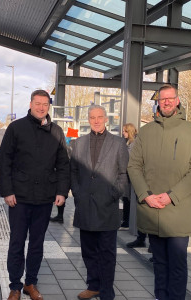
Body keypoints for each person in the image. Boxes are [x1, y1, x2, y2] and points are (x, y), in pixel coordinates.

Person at [127, 84, 191, 300]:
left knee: (177, 264)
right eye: (162, 99)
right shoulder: (147, 131)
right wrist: (145, 195)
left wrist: (171, 196)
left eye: (170, 98)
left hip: (178, 211)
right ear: (158, 102)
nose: (166, 102)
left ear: (177, 100)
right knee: (159, 263)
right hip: (152, 210)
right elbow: (134, 166)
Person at [0, 89, 70, 300]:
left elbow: (63, 164)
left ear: (49, 107)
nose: (41, 107)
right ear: (30, 104)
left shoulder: (56, 131)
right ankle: (15, 286)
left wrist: (62, 191)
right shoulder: (16, 128)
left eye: (45, 104)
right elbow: (4, 161)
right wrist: (7, 191)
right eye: (37, 103)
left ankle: (31, 283)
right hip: (18, 198)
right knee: (17, 242)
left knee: (37, 243)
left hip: (44, 198)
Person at [70, 105, 129, 300]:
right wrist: (78, 194)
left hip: (107, 208)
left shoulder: (118, 143)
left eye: (100, 117)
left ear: (106, 119)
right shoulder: (78, 143)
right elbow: (74, 172)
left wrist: (114, 194)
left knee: (107, 254)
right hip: (85, 206)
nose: (96, 120)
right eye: (93, 117)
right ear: (88, 120)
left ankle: (106, 291)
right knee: (88, 251)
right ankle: (93, 285)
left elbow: (123, 173)